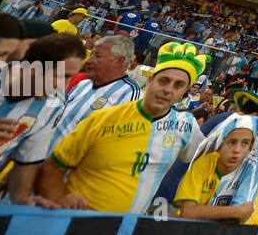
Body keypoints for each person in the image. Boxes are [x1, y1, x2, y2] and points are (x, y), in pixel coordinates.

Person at [37, 41, 206, 213]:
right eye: (163, 81)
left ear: (184, 93)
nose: (168, 89)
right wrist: (58, 200)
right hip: (73, 224)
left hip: (123, 233)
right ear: (150, 80)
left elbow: (206, 161)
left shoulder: (186, 125)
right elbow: (53, 167)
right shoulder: (102, 119)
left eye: (178, 85)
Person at [0, 33, 85, 202]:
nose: (64, 86)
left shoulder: (54, 104)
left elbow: (27, 159)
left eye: (71, 77)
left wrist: (22, 199)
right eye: (61, 76)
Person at [50, 34, 141, 147]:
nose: (89, 60)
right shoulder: (84, 83)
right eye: (91, 54)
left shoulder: (131, 93)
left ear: (119, 61)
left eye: (97, 56)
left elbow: (121, 140)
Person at [174, 117, 258, 222]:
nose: (237, 150)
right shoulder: (203, 164)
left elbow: (237, 220)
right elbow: (187, 213)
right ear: (220, 144)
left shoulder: (252, 167)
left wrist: (237, 213)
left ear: (250, 147)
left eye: (245, 143)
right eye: (231, 142)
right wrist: (238, 211)